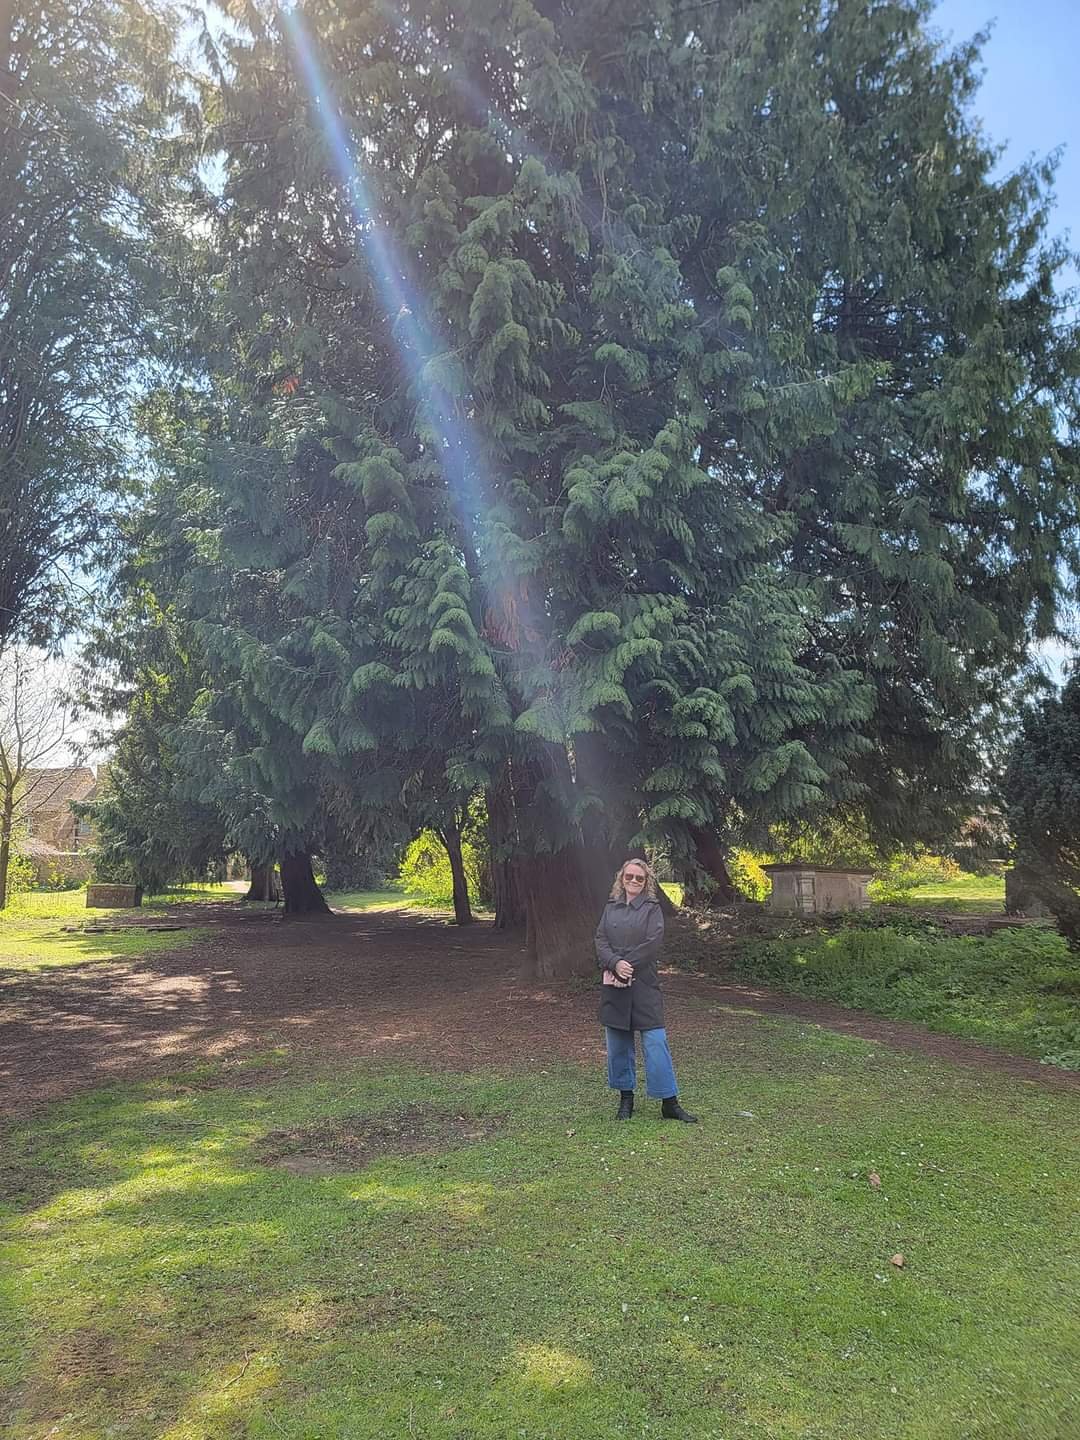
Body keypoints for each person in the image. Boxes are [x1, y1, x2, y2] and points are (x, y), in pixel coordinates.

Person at [596, 858, 698, 1123]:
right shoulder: (610, 908)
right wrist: (615, 963)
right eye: (629, 876)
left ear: (646, 882)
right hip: (615, 986)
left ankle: (669, 1102)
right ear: (621, 878)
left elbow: (653, 942)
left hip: (643, 985)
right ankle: (626, 1099)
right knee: (618, 1045)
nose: (633, 881)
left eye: (639, 878)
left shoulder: (652, 909)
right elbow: (600, 939)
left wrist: (628, 963)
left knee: (656, 1043)